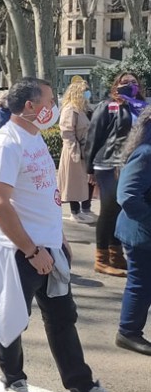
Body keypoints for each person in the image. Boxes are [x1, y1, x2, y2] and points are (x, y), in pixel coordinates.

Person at [0, 77, 134, 392]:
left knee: (62, 317)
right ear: (30, 107)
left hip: (49, 246)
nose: (54, 107)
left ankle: (82, 386)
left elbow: (41, 196)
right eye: (49, 101)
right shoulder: (6, 143)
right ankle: (14, 382)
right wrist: (31, 251)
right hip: (18, 251)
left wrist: (57, 238)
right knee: (12, 320)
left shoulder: (33, 139)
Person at [87, 72, 144, 277]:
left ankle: (116, 255)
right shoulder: (109, 106)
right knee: (109, 210)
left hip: (132, 165)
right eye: (125, 82)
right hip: (109, 164)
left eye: (134, 82)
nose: (130, 85)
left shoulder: (141, 106)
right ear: (117, 86)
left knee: (121, 210)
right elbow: (94, 136)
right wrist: (89, 169)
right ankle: (101, 259)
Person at [114, 108, 151, 355]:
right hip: (141, 233)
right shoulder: (146, 153)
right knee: (140, 283)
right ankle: (128, 332)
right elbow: (126, 195)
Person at [58, 81, 95, 224]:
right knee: (72, 182)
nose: (87, 93)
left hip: (85, 150)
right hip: (74, 152)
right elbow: (67, 133)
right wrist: (75, 152)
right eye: (85, 91)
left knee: (86, 181)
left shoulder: (84, 109)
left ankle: (83, 209)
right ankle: (75, 211)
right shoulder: (70, 109)